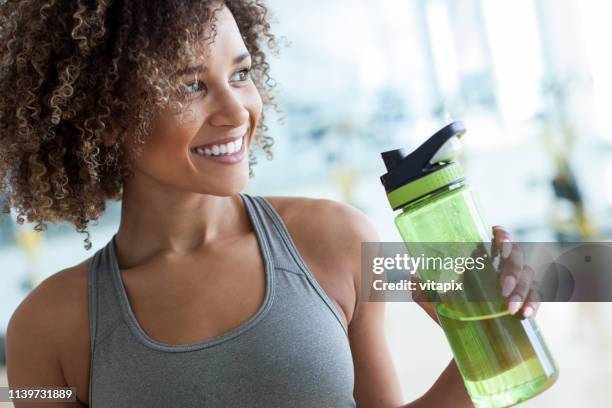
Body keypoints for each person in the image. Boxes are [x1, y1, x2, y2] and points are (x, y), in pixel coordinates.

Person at [1, 1, 540, 407]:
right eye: (190, 86)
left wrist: (489, 335)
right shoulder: (46, 328)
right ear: (109, 117)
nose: (237, 113)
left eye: (240, 74)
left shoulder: (335, 242)